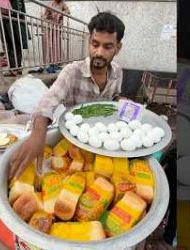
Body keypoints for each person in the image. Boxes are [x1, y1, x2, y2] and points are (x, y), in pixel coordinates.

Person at [9, 11, 125, 179]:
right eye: (95, 44)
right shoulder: (73, 71)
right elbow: (48, 100)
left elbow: (115, 96)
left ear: (118, 48)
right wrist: (37, 133)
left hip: (105, 140)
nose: (99, 52)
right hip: (75, 140)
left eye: (107, 47)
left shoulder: (117, 72)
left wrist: (121, 100)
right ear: (88, 41)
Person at [41, 0, 70, 66]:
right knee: (50, 43)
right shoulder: (50, 4)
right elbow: (45, 16)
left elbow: (68, 12)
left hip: (58, 27)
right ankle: (51, 61)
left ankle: (57, 61)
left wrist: (61, 13)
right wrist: (49, 16)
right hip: (50, 26)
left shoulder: (62, 3)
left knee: (56, 43)